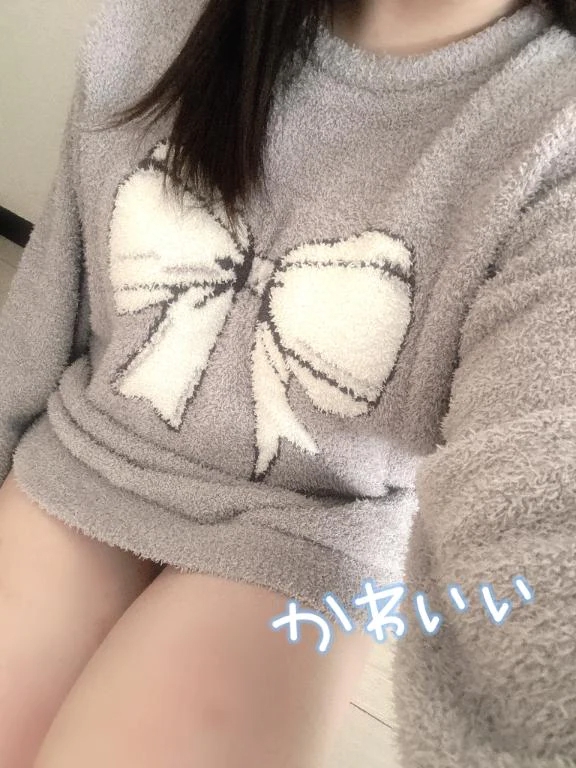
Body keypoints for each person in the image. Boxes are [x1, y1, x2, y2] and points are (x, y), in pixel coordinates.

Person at [0, 0, 574, 765]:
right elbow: (45, 303)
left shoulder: (556, 136)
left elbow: (545, 491)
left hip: (315, 529)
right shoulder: (151, 23)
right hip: (92, 455)